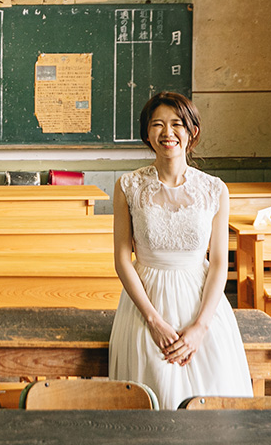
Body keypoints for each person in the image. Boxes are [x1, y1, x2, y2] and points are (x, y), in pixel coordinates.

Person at [107, 91, 251, 409]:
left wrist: (200, 326)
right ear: (147, 133)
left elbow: (217, 264)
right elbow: (122, 259)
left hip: (201, 305)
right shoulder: (127, 186)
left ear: (192, 131)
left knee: (213, 402)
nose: (167, 133)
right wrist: (154, 321)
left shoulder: (215, 189)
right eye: (158, 124)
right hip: (146, 305)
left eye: (177, 124)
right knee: (152, 399)